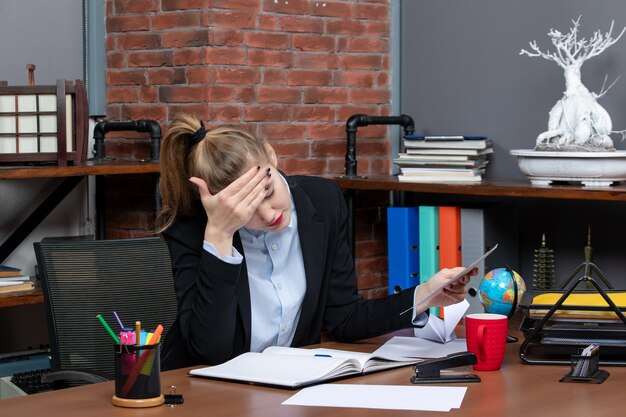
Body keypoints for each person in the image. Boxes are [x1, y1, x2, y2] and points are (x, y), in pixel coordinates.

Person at [157, 114, 474, 370]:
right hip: (200, 395)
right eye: (247, 208)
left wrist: (425, 294)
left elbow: (345, 318)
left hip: (287, 389)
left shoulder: (323, 202)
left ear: (271, 155)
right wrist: (220, 237)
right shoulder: (193, 227)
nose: (268, 214)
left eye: (267, 191)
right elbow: (210, 351)